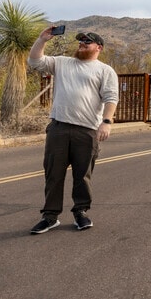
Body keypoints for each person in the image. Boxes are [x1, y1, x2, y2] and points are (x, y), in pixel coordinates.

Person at [27, 28, 119, 234]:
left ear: (99, 47)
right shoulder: (62, 63)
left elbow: (111, 97)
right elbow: (34, 61)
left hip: (86, 131)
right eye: (80, 41)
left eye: (88, 41)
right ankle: (50, 217)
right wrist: (42, 39)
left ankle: (80, 212)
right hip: (58, 127)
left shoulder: (104, 70)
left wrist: (106, 121)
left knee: (82, 174)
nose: (82, 43)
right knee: (53, 173)